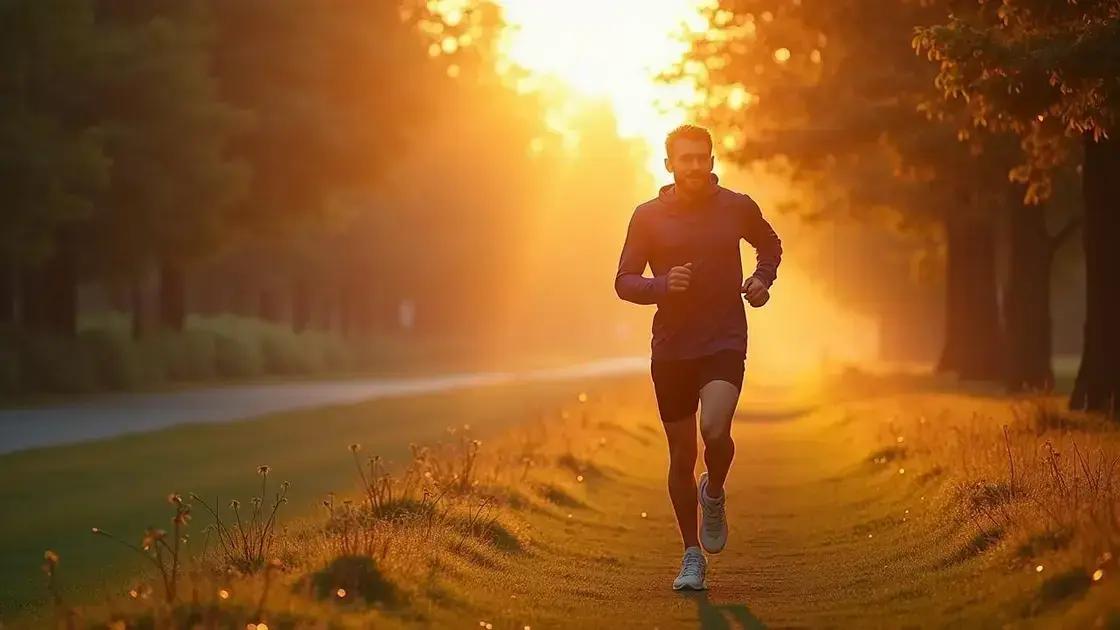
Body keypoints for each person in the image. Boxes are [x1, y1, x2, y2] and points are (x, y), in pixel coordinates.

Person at [613, 124, 782, 591]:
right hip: (671, 349)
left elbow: (769, 244)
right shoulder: (647, 216)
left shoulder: (736, 206)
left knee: (715, 430)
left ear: (710, 159)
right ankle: (691, 555)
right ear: (668, 164)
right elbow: (624, 281)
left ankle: (714, 491)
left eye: (700, 157)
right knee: (682, 453)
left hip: (724, 338)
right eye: (684, 159)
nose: (693, 166)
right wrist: (663, 286)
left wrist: (762, 279)